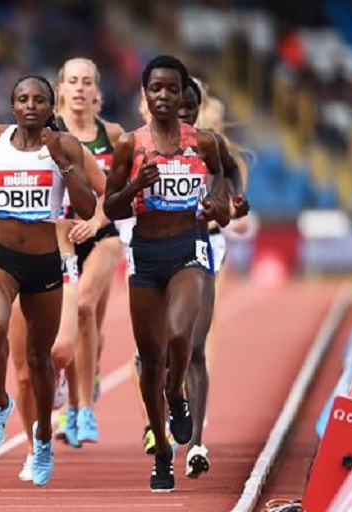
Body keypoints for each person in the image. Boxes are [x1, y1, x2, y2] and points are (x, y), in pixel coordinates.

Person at [0, 75, 96, 486]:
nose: (31, 105)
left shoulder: (65, 145)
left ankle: (43, 442)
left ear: (51, 108)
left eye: (39, 99)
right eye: (22, 99)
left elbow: (87, 207)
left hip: (44, 262)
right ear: (13, 106)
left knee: (40, 359)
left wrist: (63, 163)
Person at [104, 55, 231, 492]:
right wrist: (137, 187)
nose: (163, 96)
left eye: (171, 89)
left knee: (181, 336)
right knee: (150, 361)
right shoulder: (129, 145)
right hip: (146, 255)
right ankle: (161, 452)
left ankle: (177, 395)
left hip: (188, 251)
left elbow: (221, 181)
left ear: (182, 95)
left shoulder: (204, 143)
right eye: (155, 89)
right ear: (145, 95)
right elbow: (110, 207)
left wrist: (218, 204)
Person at [177, 77, 249, 478]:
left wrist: (231, 208)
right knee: (157, 349)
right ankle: (172, 405)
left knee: (197, 337)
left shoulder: (215, 149)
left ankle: (194, 435)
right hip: (156, 251)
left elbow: (235, 203)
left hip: (208, 244)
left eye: (193, 103)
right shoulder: (149, 144)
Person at [54, 57, 125, 443]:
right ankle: (75, 397)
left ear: (96, 91)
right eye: (73, 81)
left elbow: (118, 191)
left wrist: (97, 221)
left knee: (83, 308)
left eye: (87, 82)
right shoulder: (48, 132)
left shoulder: (111, 134)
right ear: (60, 88)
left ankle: (83, 410)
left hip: (102, 234)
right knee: (79, 324)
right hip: (62, 235)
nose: (80, 89)